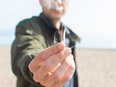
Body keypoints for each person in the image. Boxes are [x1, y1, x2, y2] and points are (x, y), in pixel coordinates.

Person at [11, 0, 81, 87]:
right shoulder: (27, 26)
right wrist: (36, 64)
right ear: (41, 1)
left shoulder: (70, 35)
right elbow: (27, 48)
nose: (58, 2)